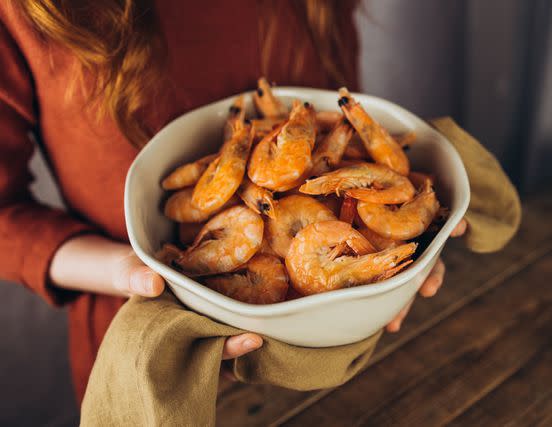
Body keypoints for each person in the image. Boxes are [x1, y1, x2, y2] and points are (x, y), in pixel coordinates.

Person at [0, 0, 466, 403]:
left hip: (340, 364)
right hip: (149, 362)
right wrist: (132, 270)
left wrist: (392, 267)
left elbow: (336, 115)